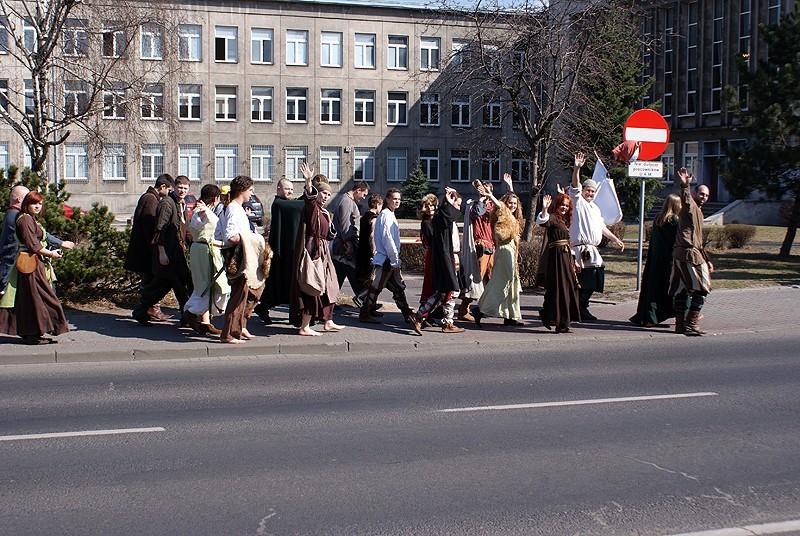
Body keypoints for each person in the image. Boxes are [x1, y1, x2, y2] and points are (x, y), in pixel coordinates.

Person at [0, 192, 69, 344]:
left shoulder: (30, 219)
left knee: (35, 300)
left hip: (34, 265)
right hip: (29, 266)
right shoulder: (24, 219)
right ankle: (36, 332)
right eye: (34, 203)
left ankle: (35, 333)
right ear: (26, 204)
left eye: (40, 203)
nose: (38, 206)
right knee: (39, 299)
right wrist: (51, 253)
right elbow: (33, 245)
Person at [569, 152, 625, 321]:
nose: (590, 194)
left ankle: (581, 306)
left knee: (595, 277)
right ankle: (577, 309)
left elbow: (602, 227)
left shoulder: (595, 208)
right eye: (588, 190)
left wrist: (615, 239)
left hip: (592, 250)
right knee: (580, 280)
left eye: (593, 191)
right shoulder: (578, 202)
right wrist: (577, 168)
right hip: (579, 249)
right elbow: (575, 186)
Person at [290, 163, 345, 336]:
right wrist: (308, 182)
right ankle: (305, 326)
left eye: (329, 194)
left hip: (324, 253)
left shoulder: (324, 212)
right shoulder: (313, 208)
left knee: (330, 286)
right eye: (323, 193)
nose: (326, 197)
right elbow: (309, 199)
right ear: (317, 192)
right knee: (312, 285)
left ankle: (328, 321)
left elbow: (328, 234)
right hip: (313, 253)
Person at [131, 175, 193, 326]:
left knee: (180, 284)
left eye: (185, 188)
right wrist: (162, 253)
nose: (182, 191)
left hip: (177, 252)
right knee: (165, 286)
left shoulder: (181, 204)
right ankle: (141, 311)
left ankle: (187, 317)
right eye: (180, 188)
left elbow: (186, 229)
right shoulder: (167, 203)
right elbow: (160, 229)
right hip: (167, 252)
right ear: (174, 188)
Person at [215, 175, 268, 344]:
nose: (252, 194)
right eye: (250, 190)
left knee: (254, 291)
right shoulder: (232, 208)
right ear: (242, 190)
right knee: (239, 295)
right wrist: (251, 237)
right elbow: (231, 236)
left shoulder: (235, 207)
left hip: (243, 256)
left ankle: (240, 326)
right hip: (237, 257)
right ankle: (228, 334)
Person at [409, 188, 466, 335]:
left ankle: (433, 319)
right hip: (444, 260)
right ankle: (433, 319)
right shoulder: (440, 219)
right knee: (448, 292)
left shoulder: (442, 218)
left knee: (445, 292)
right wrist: (449, 201)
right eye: (457, 204)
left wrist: (450, 201)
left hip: (446, 259)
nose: (458, 208)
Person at [1, 186, 73, 297]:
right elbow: (33, 241)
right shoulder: (19, 217)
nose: (36, 205)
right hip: (19, 264)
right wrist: (58, 246)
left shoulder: (21, 216)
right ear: (20, 199)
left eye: (39, 203)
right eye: (29, 199)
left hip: (22, 263)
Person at [359, 188, 415, 324]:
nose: (397, 201)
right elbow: (388, 239)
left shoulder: (389, 214)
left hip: (389, 259)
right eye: (394, 198)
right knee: (375, 288)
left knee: (398, 288)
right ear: (388, 199)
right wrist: (395, 259)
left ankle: (407, 313)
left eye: (399, 199)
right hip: (386, 260)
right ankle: (365, 313)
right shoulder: (385, 215)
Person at [472, 179, 524, 328]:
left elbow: (509, 204)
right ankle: (480, 310)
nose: (512, 205)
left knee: (512, 282)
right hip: (504, 250)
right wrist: (491, 196)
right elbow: (501, 206)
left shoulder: (513, 217)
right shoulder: (502, 213)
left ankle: (510, 316)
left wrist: (510, 187)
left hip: (511, 252)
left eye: (515, 203)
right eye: (510, 203)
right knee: (502, 282)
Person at [253, 178, 304, 325]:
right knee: (282, 283)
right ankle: (290, 315)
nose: (290, 192)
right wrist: (310, 199)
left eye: (292, 190)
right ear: (279, 189)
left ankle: (264, 308)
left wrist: (308, 187)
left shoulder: (285, 203)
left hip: (286, 250)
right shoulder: (278, 204)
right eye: (287, 189)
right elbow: (297, 206)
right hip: (281, 251)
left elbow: (296, 203)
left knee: (281, 285)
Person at [669, 169, 713, 336]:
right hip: (689, 254)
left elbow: (699, 239)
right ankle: (691, 324)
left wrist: (707, 259)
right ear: (695, 193)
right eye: (701, 194)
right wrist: (685, 185)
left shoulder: (699, 212)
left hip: (684, 253)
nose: (704, 197)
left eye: (706, 195)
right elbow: (686, 200)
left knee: (682, 289)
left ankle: (680, 325)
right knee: (704, 287)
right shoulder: (691, 207)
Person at [124, 175, 174, 322]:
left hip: (145, 250)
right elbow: (150, 227)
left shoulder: (150, 198)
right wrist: (157, 249)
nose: (169, 193)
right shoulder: (150, 200)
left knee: (150, 281)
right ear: (162, 187)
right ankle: (151, 309)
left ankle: (148, 309)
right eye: (169, 189)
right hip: (145, 252)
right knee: (151, 281)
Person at [630, 194, 685, 327]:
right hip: (669, 260)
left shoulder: (658, 219)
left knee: (654, 288)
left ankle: (649, 317)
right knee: (672, 288)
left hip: (656, 258)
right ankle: (681, 314)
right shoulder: (675, 221)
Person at [184, 184, 229, 335]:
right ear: (216, 198)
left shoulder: (198, 209)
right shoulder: (204, 210)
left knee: (204, 285)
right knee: (213, 284)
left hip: (198, 249)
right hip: (207, 251)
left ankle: (198, 315)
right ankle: (191, 311)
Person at [537, 193, 581, 333]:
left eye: (567, 206)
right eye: (562, 205)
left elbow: (568, 243)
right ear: (557, 204)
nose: (564, 208)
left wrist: (574, 261)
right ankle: (553, 319)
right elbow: (543, 221)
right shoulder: (553, 218)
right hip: (556, 258)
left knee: (568, 287)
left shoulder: (563, 221)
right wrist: (544, 209)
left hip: (565, 257)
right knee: (558, 287)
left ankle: (564, 322)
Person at [457, 179, 497, 321]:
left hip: (493, 246)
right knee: (475, 279)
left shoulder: (494, 206)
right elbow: (476, 214)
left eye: (488, 190)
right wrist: (482, 199)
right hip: (480, 247)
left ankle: (484, 307)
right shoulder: (474, 205)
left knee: (491, 279)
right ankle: (464, 309)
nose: (485, 192)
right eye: (483, 190)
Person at [331, 181, 370, 306]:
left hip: (343, 244)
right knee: (351, 272)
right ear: (358, 190)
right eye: (363, 194)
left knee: (340, 275)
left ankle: (330, 301)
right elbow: (345, 225)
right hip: (344, 245)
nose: (363, 198)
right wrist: (348, 244)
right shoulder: (346, 201)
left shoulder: (347, 200)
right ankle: (363, 300)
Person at [354, 193, 383, 316]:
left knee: (368, 281)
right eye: (380, 205)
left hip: (361, 251)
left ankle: (370, 307)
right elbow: (372, 237)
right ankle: (361, 299)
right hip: (369, 254)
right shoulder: (374, 218)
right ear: (377, 204)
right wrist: (375, 252)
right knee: (373, 282)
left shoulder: (364, 216)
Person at [418, 193, 438, 307]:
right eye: (427, 206)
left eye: (432, 205)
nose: (430, 208)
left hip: (436, 253)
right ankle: (424, 307)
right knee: (429, 282)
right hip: (432, 254)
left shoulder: (436, 220)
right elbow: (432, 239)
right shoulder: (426, 223)